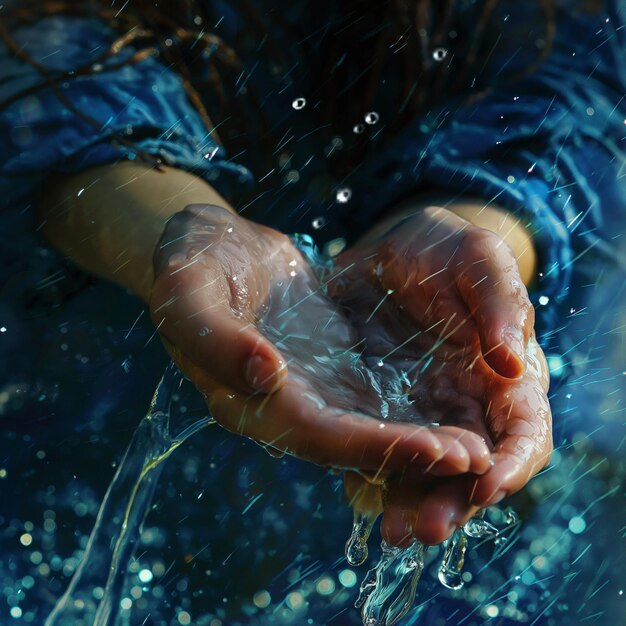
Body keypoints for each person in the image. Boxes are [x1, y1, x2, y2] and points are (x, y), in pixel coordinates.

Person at [0, 0, 623, 623]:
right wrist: (171, 232)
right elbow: (42, 52)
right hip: (90, 373)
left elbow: (584, 72)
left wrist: (476, 234)